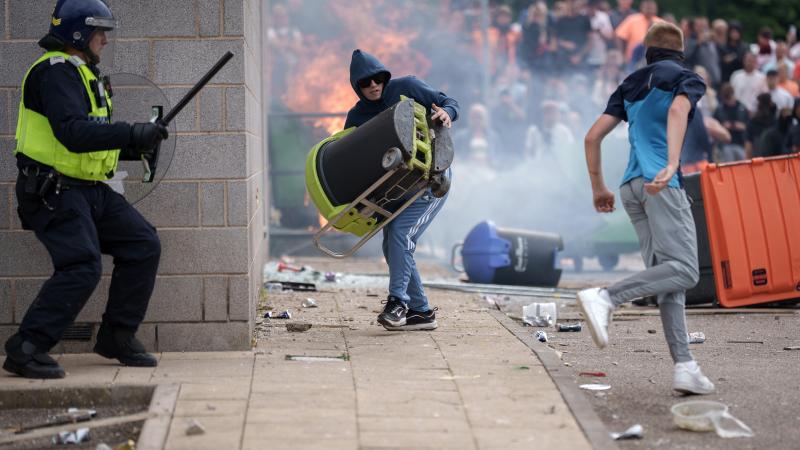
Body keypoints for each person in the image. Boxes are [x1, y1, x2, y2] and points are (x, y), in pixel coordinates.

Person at [3, 0, 168, 379]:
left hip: (87, 189)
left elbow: (92, 137)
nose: (104, 40)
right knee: (82, 264)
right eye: (99, 32)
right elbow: (73, 133)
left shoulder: (83, 74)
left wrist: (136, 142)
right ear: (79, 32)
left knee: (142, 243)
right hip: (52, 191)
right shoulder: (55, 72)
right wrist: (130, 130)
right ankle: (26, 348)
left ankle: (116, 338)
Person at [581, 22, 715, 395]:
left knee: (668, 278)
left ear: (648, 52)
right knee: (686, 270)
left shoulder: (630, 83)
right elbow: (677, 112)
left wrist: (598, 188)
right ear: (681, 52)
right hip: (661, 183)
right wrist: (673, 163)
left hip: (630, 188)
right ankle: (606, 297)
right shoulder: (688, 78)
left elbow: (592, 136)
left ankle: (685, 366)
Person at [343, 49, 459, 331]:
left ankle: (397, 302)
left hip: (431, 181)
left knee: (401, 235)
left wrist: (447, 112)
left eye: (377, 79)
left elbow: (448, 102)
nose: (373, 86)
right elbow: (351, 158)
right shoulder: (356, 115)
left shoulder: (407, 86)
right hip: (396, 189)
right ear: (357, 86)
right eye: (365, 83)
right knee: (392, 244)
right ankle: (420, 312)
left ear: (384, 77)